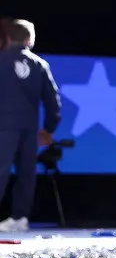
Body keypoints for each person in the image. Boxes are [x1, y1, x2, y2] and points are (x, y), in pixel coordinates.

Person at [0, 19, 61, 233]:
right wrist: (48, 129)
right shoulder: (40, 65)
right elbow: (53, 101)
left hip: (3, 126)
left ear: (8, 37)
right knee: (27, 172)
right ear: (29, 39)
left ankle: (18, 218)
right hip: (29, 128)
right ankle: (20, 218)